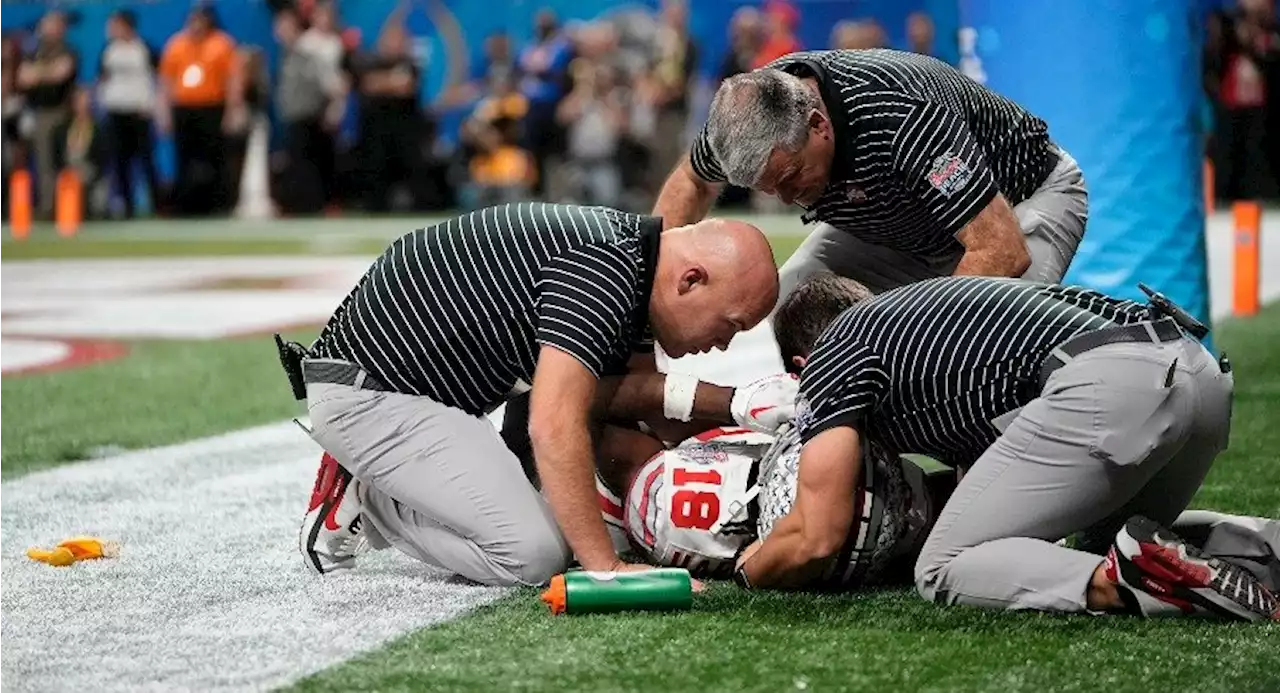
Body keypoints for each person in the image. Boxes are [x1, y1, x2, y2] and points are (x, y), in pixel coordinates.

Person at [282, 203, 783, 587]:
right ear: (690, 280)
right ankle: (371, 495)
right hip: (372, 393)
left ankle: (382, 477)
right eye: (732, 324)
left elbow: (633, 408)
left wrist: (756, 430)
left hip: (426, 393)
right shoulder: (607, 269)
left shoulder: (634, 260)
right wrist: (606, 568)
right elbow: (554, 421)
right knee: (535, 554)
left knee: (565, 512)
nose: (724, 342)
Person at [733, 272, 1280, 622]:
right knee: (1092, 543)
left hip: (1112, 386)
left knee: (941, 568)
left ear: (802, 367)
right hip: (1197, 373)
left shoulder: (837, 347)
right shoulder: (918, 329)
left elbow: (817, 536)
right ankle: (1259, 546)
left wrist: (749, 567)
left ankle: (1132, 581)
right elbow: (998, 496)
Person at [606, 421, 1280, 602]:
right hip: (1126, 376)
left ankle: (1117, 579)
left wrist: (756, 568)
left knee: (944, 565)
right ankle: (1241, 540)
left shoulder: (664, 514)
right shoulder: (783, 400)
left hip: (817, 525)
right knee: (1061, 509)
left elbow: (766, 556)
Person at [653, 49, 1089, 304]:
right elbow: (691, 181)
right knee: (791, 304)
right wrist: (655, 288)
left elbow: (1000, 249)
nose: (786, 200)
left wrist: (900, 339)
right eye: (768, 188)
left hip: (1020, 202)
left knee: (978, 344)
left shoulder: (901, 119)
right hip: (902, 220)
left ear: (819, 125)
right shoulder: (740, 125)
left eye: (790, 176)